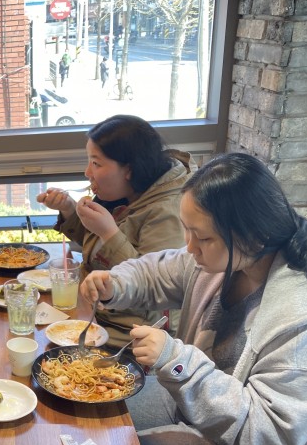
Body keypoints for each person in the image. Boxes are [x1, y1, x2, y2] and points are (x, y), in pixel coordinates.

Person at [79, 153, 307, 445]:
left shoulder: (300, 315)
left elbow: (266, 434)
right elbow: (158, 269)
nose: (189, 247)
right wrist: (115, 283)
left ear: (252, 233)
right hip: (196, 409)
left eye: (201, 237)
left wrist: (178, 362)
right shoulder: (222, 258)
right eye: (188, 231)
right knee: (88, 407)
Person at [37, 115, 195, 345]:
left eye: (96, 163)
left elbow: (150, 286)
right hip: (95, 315)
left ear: (129, 169)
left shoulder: (170, 210)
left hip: (131, 341)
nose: (87, 172)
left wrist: (109, 234)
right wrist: (69, 210)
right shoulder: (127, 192)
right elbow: (101, 253)